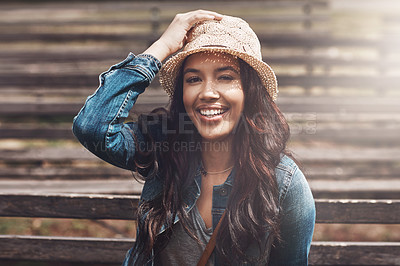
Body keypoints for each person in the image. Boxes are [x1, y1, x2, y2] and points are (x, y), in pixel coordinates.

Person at [73, 10, 315, 266]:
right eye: (194, 79)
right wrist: (162, 47)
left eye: (226, 77)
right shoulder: (162, 146)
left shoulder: (284, 184)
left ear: (250, 90)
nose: (207, 92)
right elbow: (92, 127)